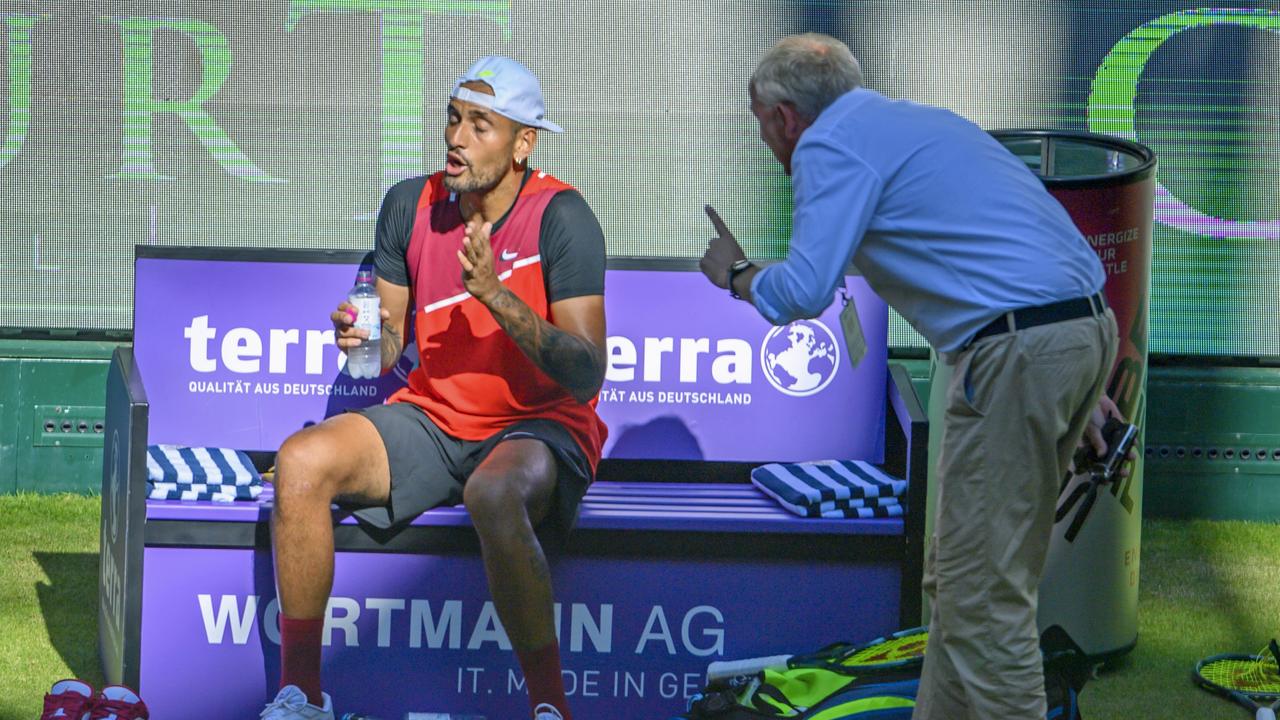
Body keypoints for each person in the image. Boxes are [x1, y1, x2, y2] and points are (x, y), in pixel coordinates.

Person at [700, 33, 1120, 720]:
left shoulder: (826, 145)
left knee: (984, 604)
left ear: (783, 116)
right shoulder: (928, 124)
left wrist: (738, 275)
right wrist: (1069, 370)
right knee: (957, 587)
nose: (766, 142)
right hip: (1075, 333)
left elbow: (803, 292)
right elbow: (1035, 252)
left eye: (759, 123)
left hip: (1018, 354)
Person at [261, 56, 607, 720]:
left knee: (493, 491)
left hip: (539, 424)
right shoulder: (408, 204)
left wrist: (497, 297)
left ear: (522, 144)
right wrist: (363, 340)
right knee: (300, 462)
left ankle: (551, 708)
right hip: (435, 418)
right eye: (453, 120)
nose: (457, 138)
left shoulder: (562, 216)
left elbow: (587, 370)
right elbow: (389, 346)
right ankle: (302, 697)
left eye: (482, 126)